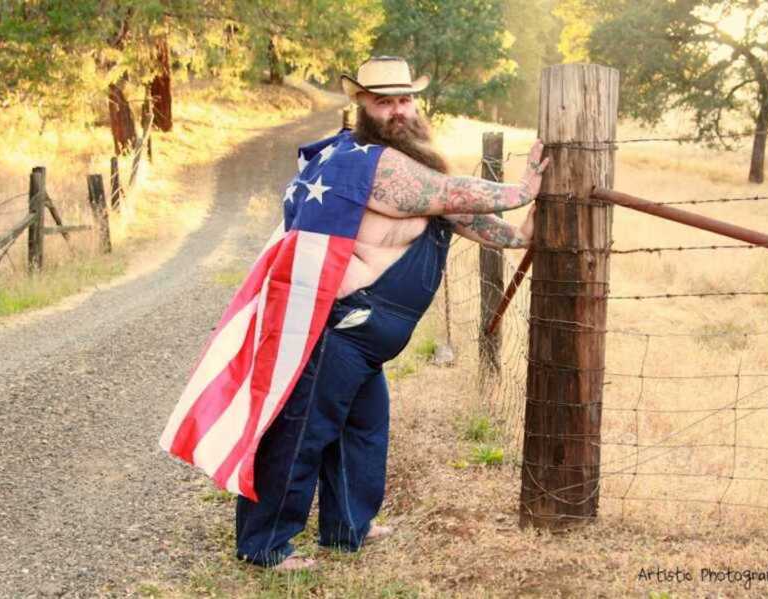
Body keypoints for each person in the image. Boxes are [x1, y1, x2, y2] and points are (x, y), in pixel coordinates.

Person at [234, 56, 549, 572]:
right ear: (361, 105)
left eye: (404, 99)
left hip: (366, 340)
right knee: (304, 432)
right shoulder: (374, 164)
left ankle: (347, 527)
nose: (398, 110)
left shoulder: (404, 163)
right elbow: (449, 195)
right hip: (337, 331)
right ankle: (264, 543)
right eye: (384, 102)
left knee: (362, 430)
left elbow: (457, 214)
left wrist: (519, 235)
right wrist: (521, 191)